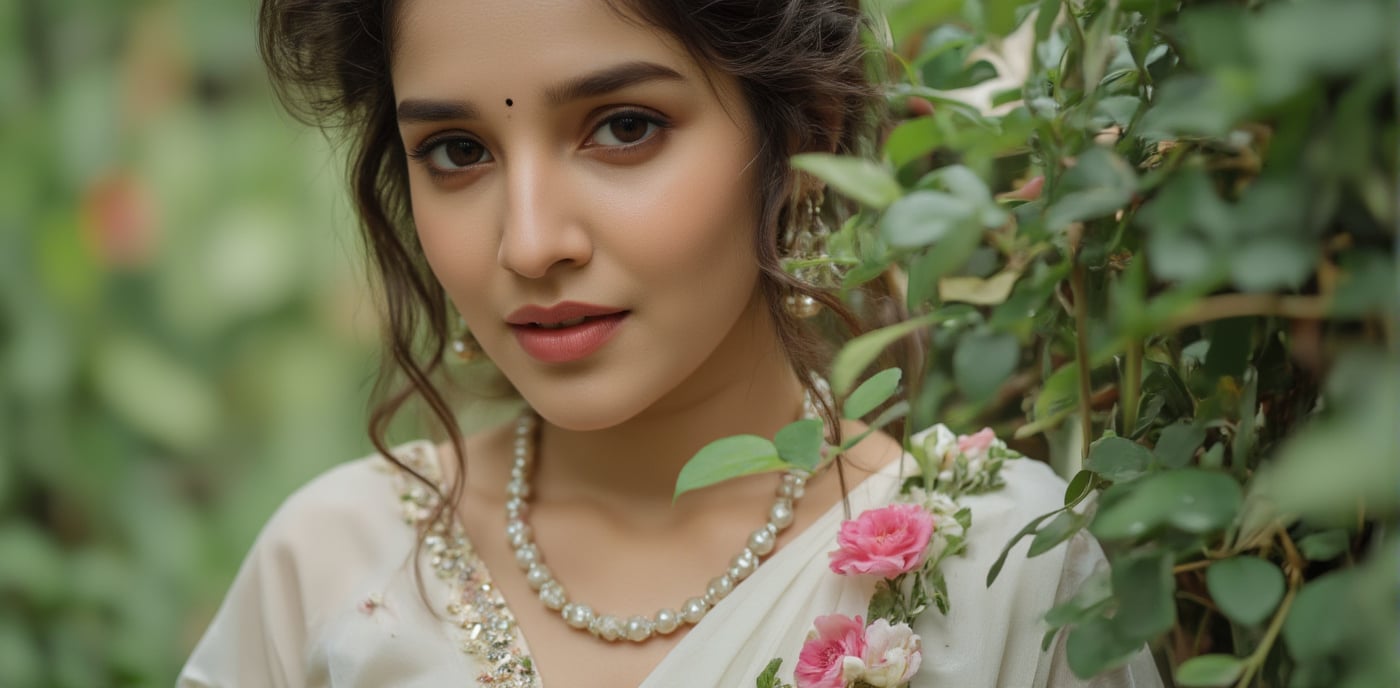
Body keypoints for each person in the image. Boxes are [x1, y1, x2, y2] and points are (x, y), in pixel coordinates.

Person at [179, 1, 1163, 686]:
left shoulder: (999, 569)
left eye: (622, 126)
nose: (529, 243)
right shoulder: (333, 567)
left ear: (802, 143)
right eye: (457, 151)